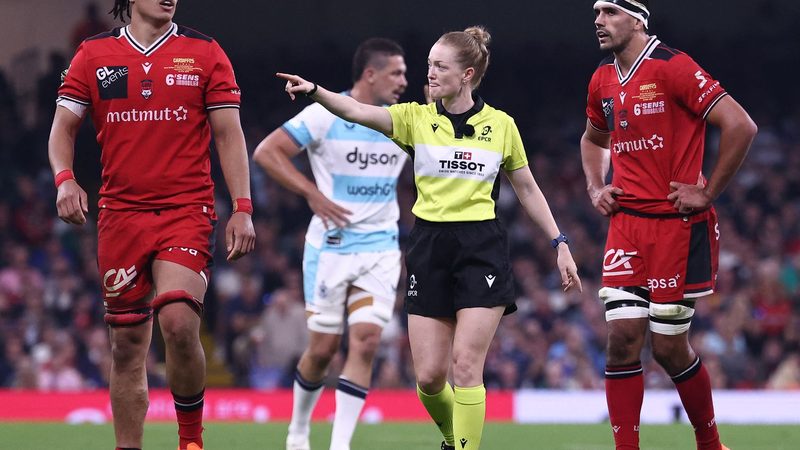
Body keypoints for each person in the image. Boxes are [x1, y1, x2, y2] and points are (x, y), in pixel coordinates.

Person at [278, 25, 581, 450]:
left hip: (481, 248)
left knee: (466, 364)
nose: (430, 74)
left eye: (440, 66)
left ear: (467, 74)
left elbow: (527, 188)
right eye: (429, 65)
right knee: (429, 379)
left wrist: (559, 242)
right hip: (429, 247)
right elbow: (356, 111)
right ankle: (454, 438)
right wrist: (315, 91)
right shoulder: (414, 118)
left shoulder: (501, 126)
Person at [49, 1, 256, 449]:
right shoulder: (94, 54)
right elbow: (63, 128)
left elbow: (228, 133)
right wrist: (65, 180)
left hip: (186, 210)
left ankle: (191, 442)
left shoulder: (205, 53)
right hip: (121, 217)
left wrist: (242, 206)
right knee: (126, 345)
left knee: (179, 321)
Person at [581, 2, 757, 449]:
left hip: (677, 227)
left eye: (610, 12)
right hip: (626, 225)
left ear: (638, 20)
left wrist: (708, 192)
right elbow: (593, 138)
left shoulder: (673, 66)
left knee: (668, 348)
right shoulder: (602, 78)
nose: (599, 20)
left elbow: (740, 125)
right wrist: (595, 186)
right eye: (596, 12)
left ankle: (710, 443)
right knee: (621, 339)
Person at [253, 38, 408, 450]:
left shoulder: (402, 120)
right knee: (322, 349)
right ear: (370, 74)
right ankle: (298, 429)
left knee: (367, 341)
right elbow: (267, 153)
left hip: (381, 247)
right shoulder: (324, 114)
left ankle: (340, 445)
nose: (404, 82)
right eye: (396, 73)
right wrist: (312, 193)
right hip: (331, 248)